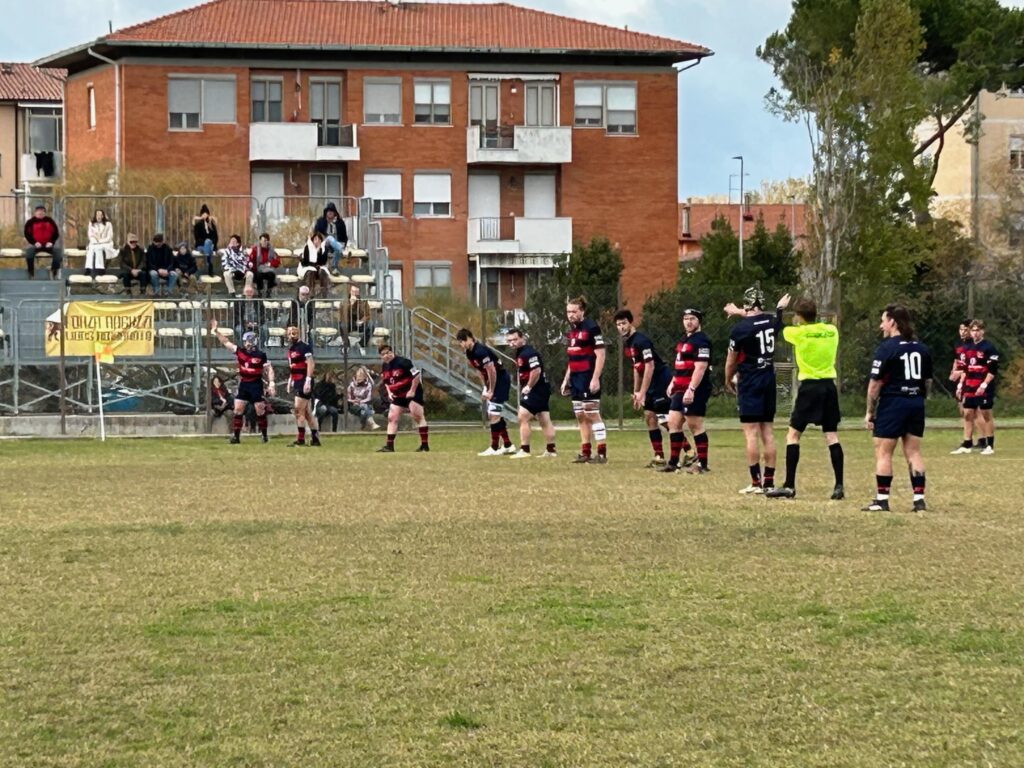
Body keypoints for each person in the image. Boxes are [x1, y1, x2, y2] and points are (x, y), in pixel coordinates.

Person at [766, 297, 845, 500]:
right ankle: (838, 485)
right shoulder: (831, 331)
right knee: (831, 436)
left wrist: (779, 310)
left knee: (793, 435)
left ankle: (790, 485)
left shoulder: (798, 333)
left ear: (799, 317)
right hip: (828, 386)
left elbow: (777, 328)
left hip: (809, 387)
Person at [863, 304, 933, 512]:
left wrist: (869, 411)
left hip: (893, 403)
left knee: (884, 452)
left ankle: (882, 500)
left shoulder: (886, 348)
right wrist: (920, 398)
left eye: (883, 320)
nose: (881, 325)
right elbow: (927, 381)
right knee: (913, 452)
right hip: (915, 403)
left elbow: (874, 384)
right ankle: (918, 500)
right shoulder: (921, 348)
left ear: (892, 321)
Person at [723, 286, 784, 494]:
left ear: (747, 304)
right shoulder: (772, 321)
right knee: (768, 432)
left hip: (750, 381)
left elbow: (731, 361)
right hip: (768, 379)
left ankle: (756, 483)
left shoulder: (739, 330)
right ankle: (769, 482)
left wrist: (727, 380)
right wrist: (738, 310)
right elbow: (757, 318)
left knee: (750, 434)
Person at [613, 309, 673, 467]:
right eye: (618, 324)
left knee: (665, 419)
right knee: (649, 416)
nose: (621, 327)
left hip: (660, 380)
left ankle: (689, 452)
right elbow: (636, 368)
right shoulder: (628, 343)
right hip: (649, 383)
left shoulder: (641, 341)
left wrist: (643, 392)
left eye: (624, 323)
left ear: (630, 322)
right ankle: (659, 457)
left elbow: (650, 366)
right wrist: (636, 391)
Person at [662, 308, 712, 474]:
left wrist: (691, 389)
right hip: (679, 387)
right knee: (673, 422)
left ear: (699, 321)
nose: (689, 322)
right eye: (686, 318)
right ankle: (673, 462)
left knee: (694, 424)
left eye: (692, 318)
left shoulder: (702, 340)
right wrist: (673, 382)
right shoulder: (684, 339)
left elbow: (701, 367)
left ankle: (702, 465)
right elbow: (679, 364)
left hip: (694, 388)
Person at [211, 318, 275, 443]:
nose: (246, 344)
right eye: (245, 341)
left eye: (248, 341)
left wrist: (271, 383)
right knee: (238, 409)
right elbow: (226, 342)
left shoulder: (261, 355)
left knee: (260, 409)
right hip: (244, 383)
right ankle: (236, 436)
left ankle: (264, 435)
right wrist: (216, 331)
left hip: (256, 384)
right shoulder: (240, 352)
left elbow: (269, 369)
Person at [561, 297, 608, 464]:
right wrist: (566, 379)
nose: (571, 315)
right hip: (575, 377)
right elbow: (572, 356)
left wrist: (595, 378)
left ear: (582, 311)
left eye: (574, 311)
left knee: (591, 412)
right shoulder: (572, 331)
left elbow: (601, 354)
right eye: (568, 312)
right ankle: (585, 451)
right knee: (580, 414)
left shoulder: (592, 328)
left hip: (588, 375)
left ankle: (602, 453)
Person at [456, 328, 515, 456]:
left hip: (500, 379)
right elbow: (479, 370)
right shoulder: (469, 353)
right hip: (492, 381)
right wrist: (485, 387)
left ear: (469, 338)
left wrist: (491, 390)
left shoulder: (480, 351)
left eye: (462, 341)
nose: (461, 345)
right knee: (493, 414)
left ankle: (494, 447)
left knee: (493, 414)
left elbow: (492, 371)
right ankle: (508, 444)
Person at [505, 327, 556, 458]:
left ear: (522, 338)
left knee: (522, 417)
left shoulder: (528, 353)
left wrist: (528, 386)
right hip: (541, 389)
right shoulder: (520, 353)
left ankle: (525, 450)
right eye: (509, 341)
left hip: (536, 389)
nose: (512, 343)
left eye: (515, 339)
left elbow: (536, 371)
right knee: (544, 418)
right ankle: (551, 450)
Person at [957, 319, 999, 456]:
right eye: (973, 330)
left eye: (978, 330)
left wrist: (984, 384)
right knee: (968, 414)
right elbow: (965, 369)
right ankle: (967, 444)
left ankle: (989, 445)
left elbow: (992, 371)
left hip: (983, 386)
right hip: (970, 385)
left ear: (983, 331)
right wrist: (960, 385)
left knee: (986, 414)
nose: (975, 333)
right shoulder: (967, 348)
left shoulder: (989, 347)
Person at [377, 344, 429, 452]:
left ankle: (424, 445)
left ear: (392, 352)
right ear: (380, 356)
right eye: (383, 354)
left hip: (412, 392)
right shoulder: (384, 366)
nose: (386, 356)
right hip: (399, 394)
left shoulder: (404, 362)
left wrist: (412, 391)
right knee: (392, 417)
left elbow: (416, 376)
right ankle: (389, 446)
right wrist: (389, 392)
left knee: (417, 415)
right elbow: (386, 381)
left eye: (388, 353)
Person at [285, 325, 321, 446]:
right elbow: (293, 366)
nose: (291, 336)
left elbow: (310, 363)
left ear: (298, 334)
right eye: (289, 333)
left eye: (293, 333)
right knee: (306, 412)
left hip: (303, 380)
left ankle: (301, 439)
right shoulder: (291, 349)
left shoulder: (304, 347)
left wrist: (308, 380)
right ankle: (315, 438)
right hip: (296, 380)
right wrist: (290, 380)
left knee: (298, 410)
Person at [949, 320, 976, 453]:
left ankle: (970, 441)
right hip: (961, 378)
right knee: (963, 411)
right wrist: (953, 371)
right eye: (961, 329)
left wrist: (960, 378)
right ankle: (968, 440)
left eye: (966, 330)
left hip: (970, 380)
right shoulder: (959, 344)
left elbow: (970, 367)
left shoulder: (973, 346)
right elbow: (957, 360)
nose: (963, 332)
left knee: (969, 412)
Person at [23, 204, 63, 279]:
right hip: (36, 245)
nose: (40, 213)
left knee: (58, 253)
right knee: (29, 254)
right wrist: (34, 242)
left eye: (42, 211)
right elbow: (26, 234)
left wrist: (51, 242)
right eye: (38, 211)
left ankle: (54, 270)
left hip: (48, 245)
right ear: (35, 212)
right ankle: (31, 272)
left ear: (44, 212)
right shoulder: (30, 222)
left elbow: (56, 233)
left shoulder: (50, 221)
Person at [313, 201, 349, 274]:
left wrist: (344, 244)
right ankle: (342, 250)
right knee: (329, 238)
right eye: (328, 211)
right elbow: (316, 234)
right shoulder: (321, 221)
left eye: (332, 211)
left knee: (337, 250)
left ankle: (333, 267)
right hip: (323, 243)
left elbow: (344, 236)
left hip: (336, 244)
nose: (330, 212)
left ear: (335, 213)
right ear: (326, 212)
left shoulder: (340, 222)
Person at [298, 232, 331, 296]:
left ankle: (324, 295)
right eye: (315, 239)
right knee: (311, 272)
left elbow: (323, 262)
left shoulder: (324, 249)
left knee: (323, 272)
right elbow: (305, 262)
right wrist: (314, 265)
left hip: (319, 269)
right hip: (308, 268)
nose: (317, 241)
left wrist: (319, 251)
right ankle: (310, 296)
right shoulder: (307, 248)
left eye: (319, 240)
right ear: (312, 240)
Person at [84, 209, 115, 277]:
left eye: (100, 215)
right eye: (97, 214)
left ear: (103, 216)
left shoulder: (108, 224)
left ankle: (100, 268)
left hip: (106, 243)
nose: (99, 216)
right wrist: (95, 241)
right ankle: (88, 268)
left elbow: (109, 237)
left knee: (99, 249)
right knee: (91, 249)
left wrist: (100, 241)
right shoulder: (91, 224)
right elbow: (90, 235)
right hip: (94, 243)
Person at [249, 232, 280, 297]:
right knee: (258, 275)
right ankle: (260, 291)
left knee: (271, 274)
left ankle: (269, 292)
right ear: (260, 241)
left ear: (268, 241)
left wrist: (270, 264)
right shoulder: (255, 249)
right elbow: (251, 259)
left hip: (268, 269)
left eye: (266, 241)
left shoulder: (271, 250)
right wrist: (252, 266)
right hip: (258, 269)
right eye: (263, 241)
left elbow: (277, 261)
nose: (264, 242)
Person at [192, 204, 219, 277]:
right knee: (207, 242)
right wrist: (205, 242)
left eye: (206, 214)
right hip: (201, 246)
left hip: (210, 246)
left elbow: (215, 237)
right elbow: (196, 237)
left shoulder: (211, 224)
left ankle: (208, 261)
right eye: (203, 214)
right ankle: (209, 263)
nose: (205, 215)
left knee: (209, 242)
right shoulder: (198, 225)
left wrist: (213, 245)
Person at [347, 284, 373, 348]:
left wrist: (361, 321)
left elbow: (368, 315)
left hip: (360, 324)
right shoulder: (346, 301)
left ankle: (361, 344)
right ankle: (346, 344)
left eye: (356, 291)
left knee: (371, 325)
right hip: (349, 324)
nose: (354, 293)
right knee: (342, 324)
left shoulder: (364, 302)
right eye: (353, 291)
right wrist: (352, 303)